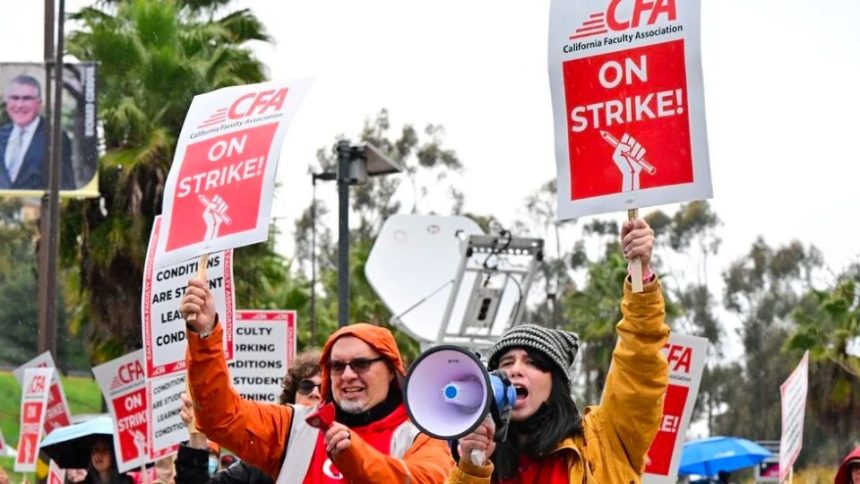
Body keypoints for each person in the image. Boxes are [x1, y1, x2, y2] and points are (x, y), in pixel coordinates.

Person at [448, 218, 669, 483]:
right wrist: (472, 469)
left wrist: (640, 274)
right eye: (506, 363)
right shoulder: (485, 462)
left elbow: (638, 361)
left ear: (556, 382)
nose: (515, 370)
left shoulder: (604, 440)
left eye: (531, 362)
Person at [178, 284, 454, 483]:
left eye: (361, 364)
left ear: (392, 370)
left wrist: (353, 456)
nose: (347, 375)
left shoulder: (420, 436)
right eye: (337, 366)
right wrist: (204, 335)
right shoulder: (296, 425)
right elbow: (220, 417)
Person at [174, 348, 324, 484]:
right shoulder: (262, 462)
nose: (315, 393)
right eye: (306, 386)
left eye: (323, 388)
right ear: (292, 398)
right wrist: (197, 433)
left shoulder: (343, 453)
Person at [0, 74, 75, 190]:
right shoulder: (1, 134)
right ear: (7, 102)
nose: (19, 105)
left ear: (39, 103)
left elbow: (65, 186)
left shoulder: (55, 137)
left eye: (27, 98)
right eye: (14, 98)